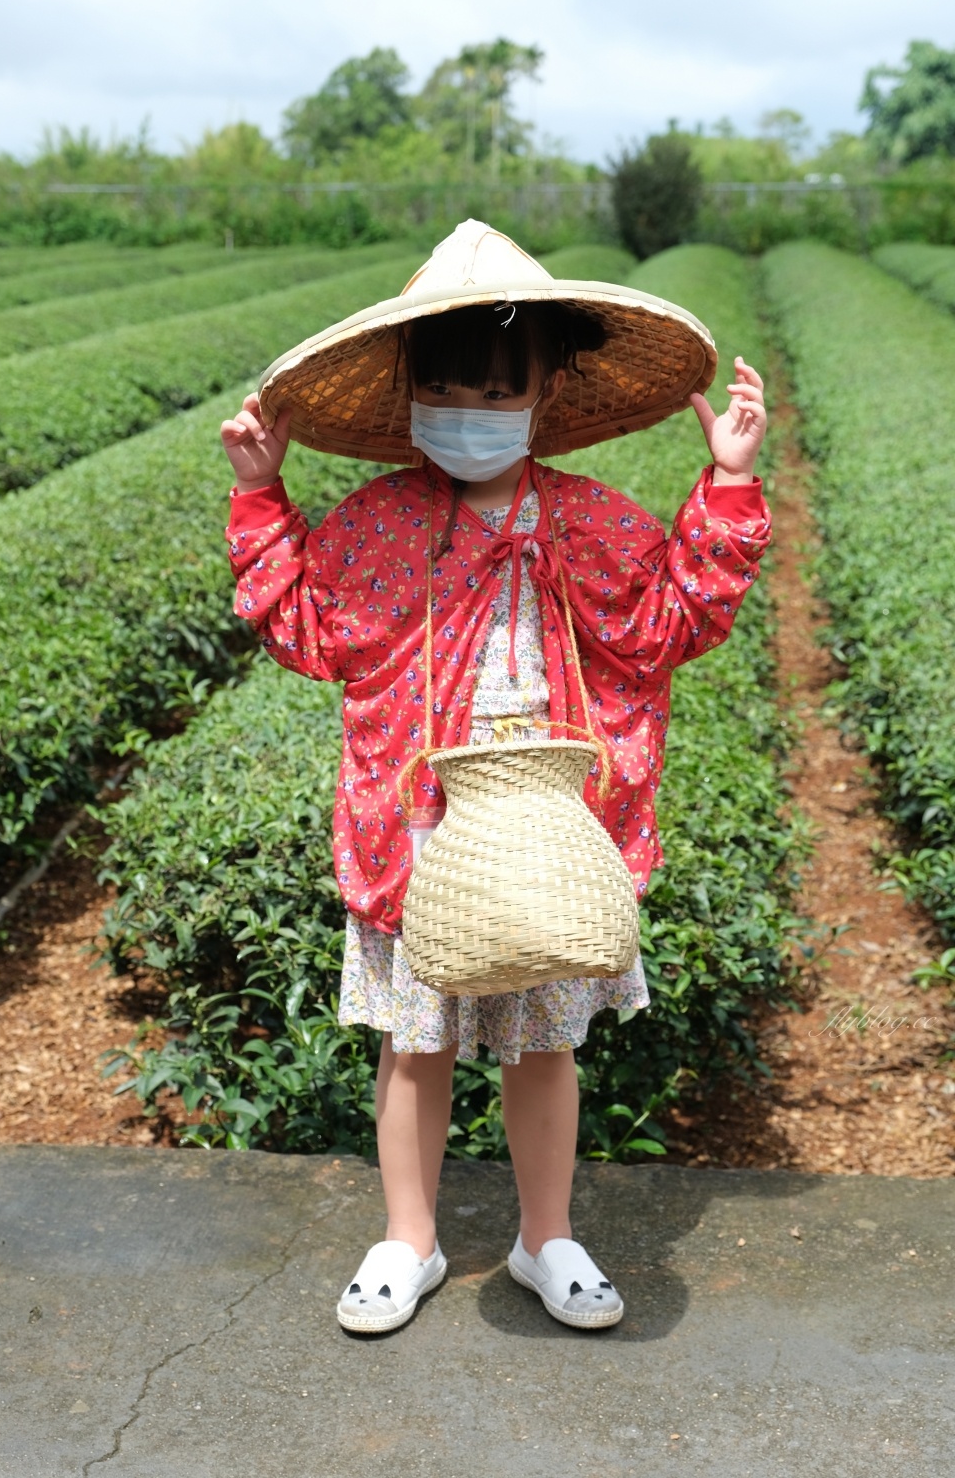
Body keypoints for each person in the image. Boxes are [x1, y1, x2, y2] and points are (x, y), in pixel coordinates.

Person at [220, 220, 769, 1334]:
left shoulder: (585, 520)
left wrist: (724, 488)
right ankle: (408, 1239)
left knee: (544, 1044)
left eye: (496, 388)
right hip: (417, 829)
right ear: (411, 389)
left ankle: (544, 1236)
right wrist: (260, 497)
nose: (470, 410)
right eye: (449, 385)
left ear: (545, 393)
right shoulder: (377, 524)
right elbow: (309, 631)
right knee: (413, 1044)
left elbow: (671, 620)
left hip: (545, 828)